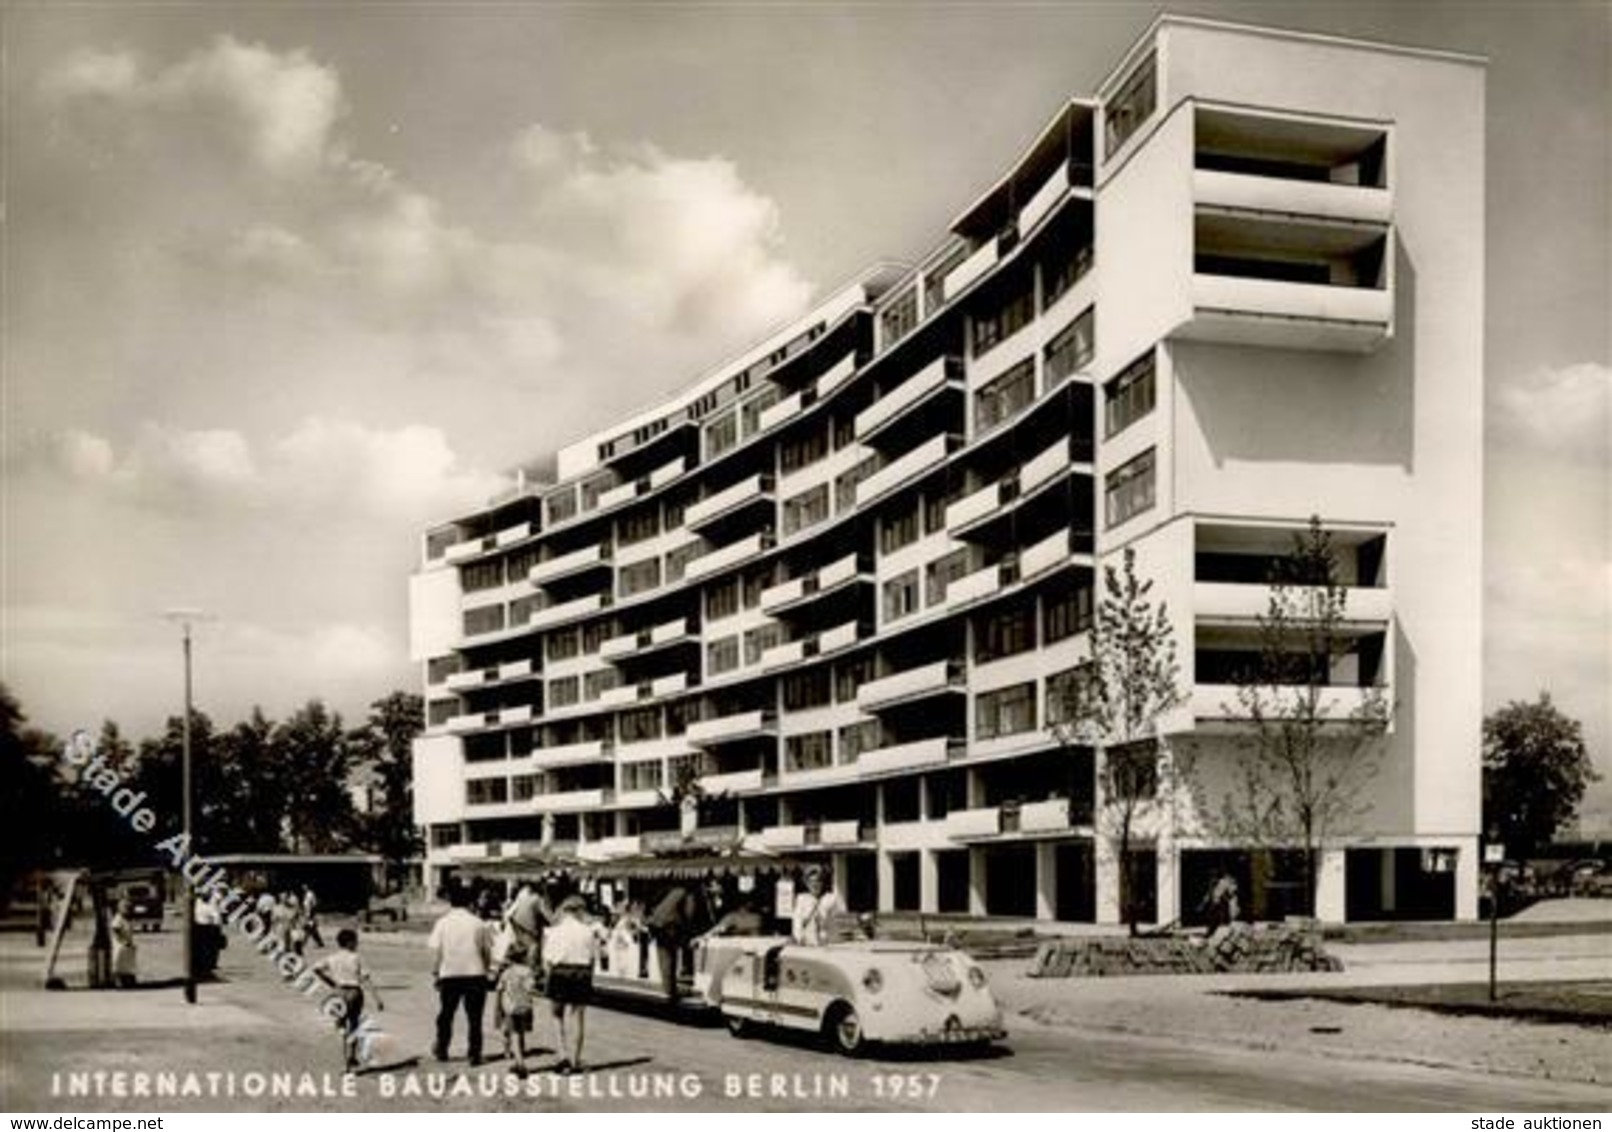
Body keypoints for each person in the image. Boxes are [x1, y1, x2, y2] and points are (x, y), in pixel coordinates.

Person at [428, 884, 492, 1065]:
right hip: (475, 974)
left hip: (450, 974)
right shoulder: (478, 923)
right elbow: (486, 951)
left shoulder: (442, 922)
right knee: (475, 1018)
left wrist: (436, 972)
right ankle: (474, 1053)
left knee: (446, 1014)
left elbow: (438, 951)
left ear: (451, 902)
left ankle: (442, 1048)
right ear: (469, 902)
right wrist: (486, 971)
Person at [312, 927, 384, 1070]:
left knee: (341, 1024)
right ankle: (351, 1055)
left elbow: (316, 968)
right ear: (350, 942)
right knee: (354, 1024)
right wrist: (377, 999)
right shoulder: (355, 957)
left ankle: (346, 1061)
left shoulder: (332, 958)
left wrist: (329, 982)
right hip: (355, 992)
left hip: (339, 992)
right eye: (356, 941)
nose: (357, 943)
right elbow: (366, 979)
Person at [542, 895, 599, 1074]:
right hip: (582, 973)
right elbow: (592, 959)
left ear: (564, 911)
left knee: (557, 1016)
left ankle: (563, 1057)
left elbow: (547, 960)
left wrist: (548, 976)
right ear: (580, 911)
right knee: (578, 1017)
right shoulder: (588, 931)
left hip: (560, 972)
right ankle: (575, 1060)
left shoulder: (553, 931)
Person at [645, 883, 708, 1003]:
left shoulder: (668, 890)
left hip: (657, 924)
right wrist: (689, 927)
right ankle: (673, 990)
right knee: (672, 957)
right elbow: (690, 912)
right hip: (671, 925)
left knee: (665, 958)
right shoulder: (687, 892)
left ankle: (668, 989)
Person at [494, 943, 537, 1075]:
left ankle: (520, 1063)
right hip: (525, 1007)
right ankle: (518, 1058)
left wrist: (498, 1007)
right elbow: (531, 988)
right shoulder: (528, 971)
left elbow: (499, 990)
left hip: (510, 1007)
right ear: (525, 957)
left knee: (513, 1033)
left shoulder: (506, 973)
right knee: (520, 1032)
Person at [790, 865, 845, 946]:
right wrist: (800, 939)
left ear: (822, 883)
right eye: (811, 882)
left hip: (827, 945)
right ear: (807, 884)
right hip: (807, 944)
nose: (814, 884)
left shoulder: (831, 899)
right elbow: (797, 923)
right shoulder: (802, 900)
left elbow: (837, 923)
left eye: (818, 881)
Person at [110, 898, 138, 988]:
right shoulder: (118, 918)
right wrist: (124, 941)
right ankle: (118, 982)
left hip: (128, 945)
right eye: (126, 907)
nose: (128, 910)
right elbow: (116, 930)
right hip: (120, 945)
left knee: (128, 965)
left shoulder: (128, 919)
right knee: (119, 964)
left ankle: (129, 980)